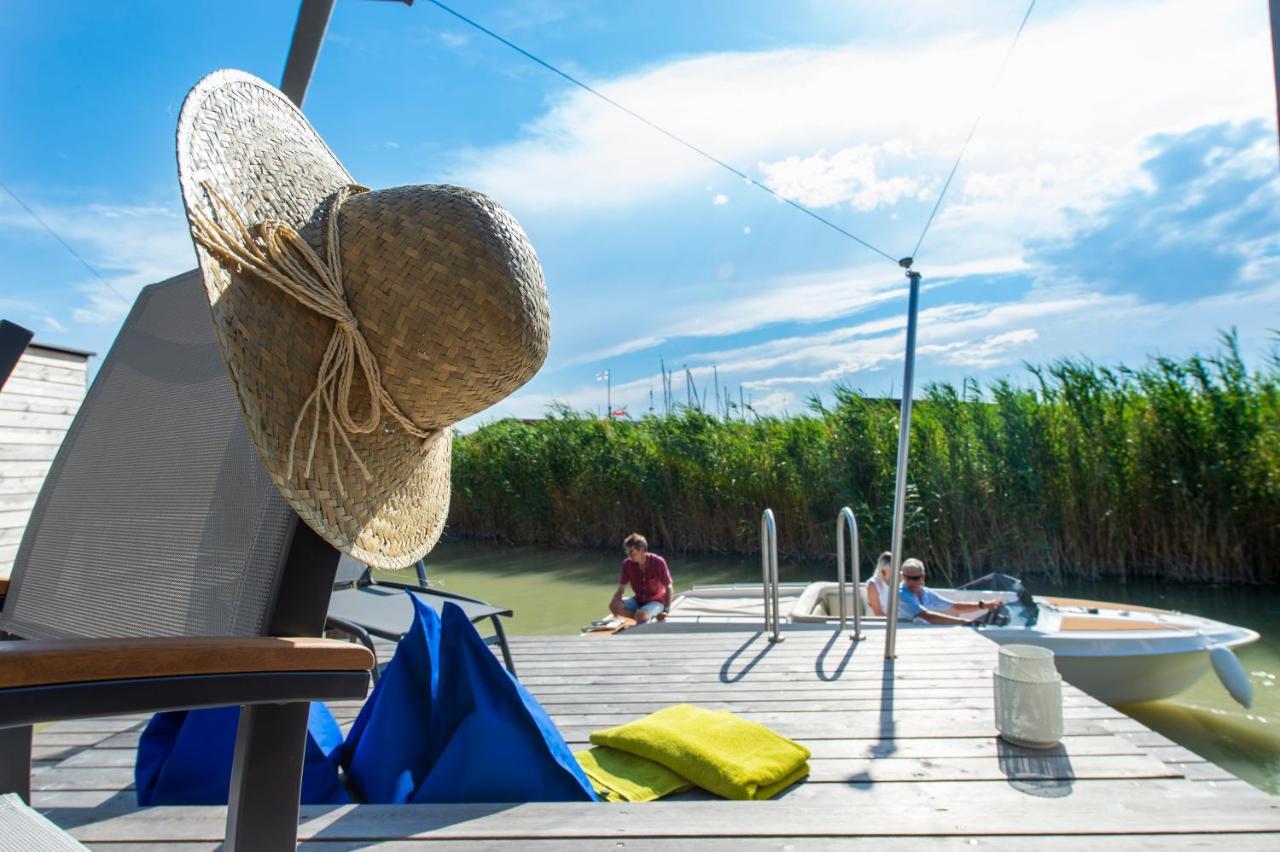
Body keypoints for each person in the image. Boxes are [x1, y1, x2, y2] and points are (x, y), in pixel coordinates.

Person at [897, 558, 1002, 624]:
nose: (911, 581)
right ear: (902, 576)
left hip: (925, 634)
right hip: (908, 636)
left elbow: (955, 606)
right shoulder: (901, 594)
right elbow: (927, 616)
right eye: (907, 578)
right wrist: (964, 622)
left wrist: (983, 605)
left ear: (923, 577)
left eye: (915, 578)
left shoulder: (927, 593)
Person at [609, 533, 672, 623]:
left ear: (642, 550)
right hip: (637, 600)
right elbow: (621, 589)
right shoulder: (627, 564)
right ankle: (639, 617)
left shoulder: (658, 562)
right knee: (614, 605)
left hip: (657, 602)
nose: (628, 556)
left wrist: (666, 611)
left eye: (631, 552)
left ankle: (641, 616)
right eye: (626, 552)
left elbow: (669, 588)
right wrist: (615, 602)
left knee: (640, 615)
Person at [865, 551, 894, 617]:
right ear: (884, 568)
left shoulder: (898, 580)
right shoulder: (872, 584)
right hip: (878, 624)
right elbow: (877, 613)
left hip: (896, 621)